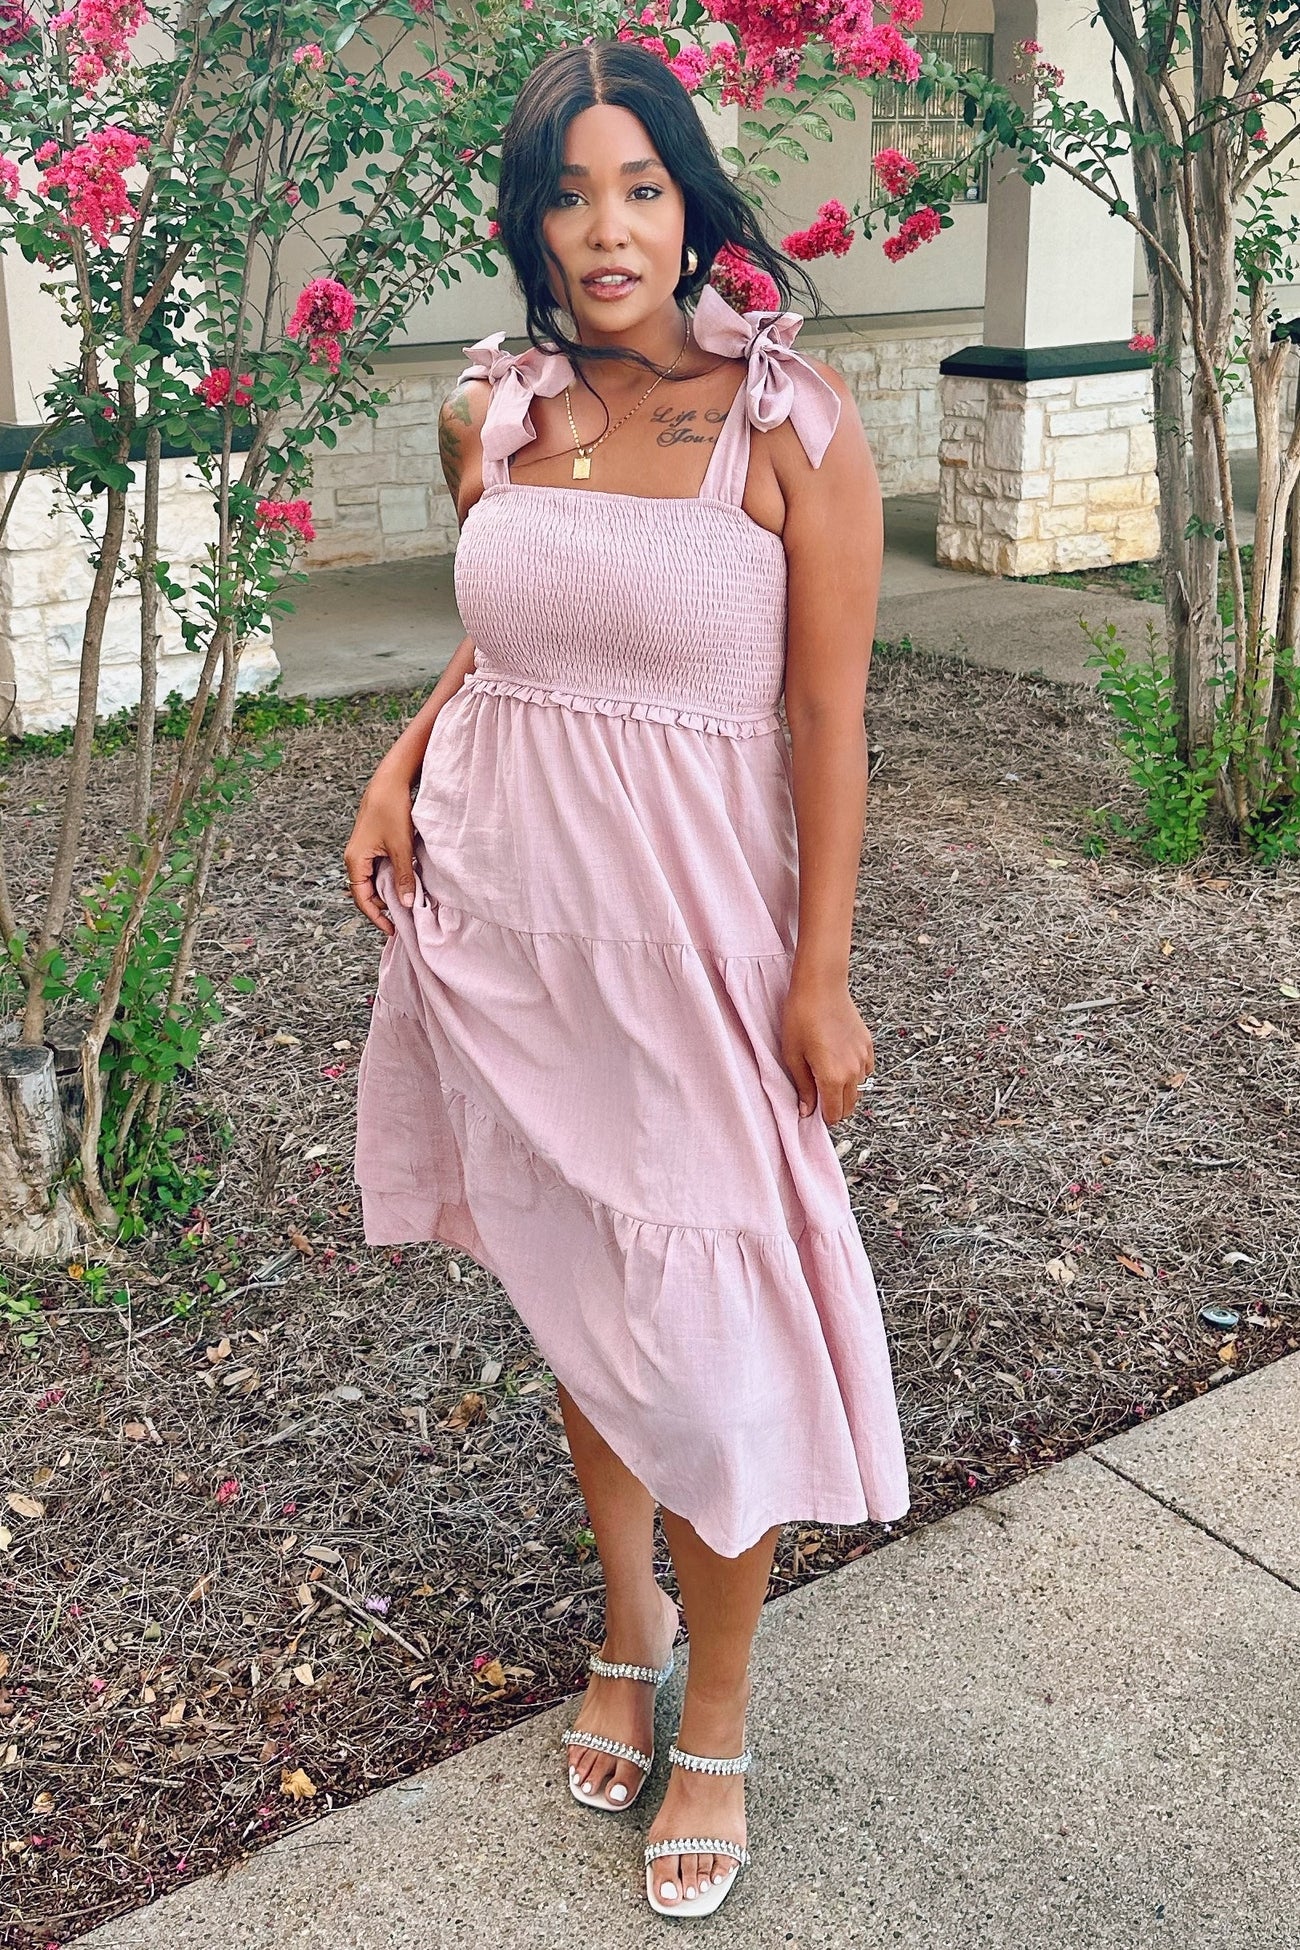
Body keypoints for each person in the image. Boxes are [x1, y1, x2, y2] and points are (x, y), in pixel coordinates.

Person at [346, 36, 910, 1921]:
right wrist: (401, 756)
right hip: (513, 924)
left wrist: (821, 975)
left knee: (711, 1334)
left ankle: (719, 1709)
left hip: (695, 946)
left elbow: (828, 719)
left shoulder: (788, 424)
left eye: (642, 188)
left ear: (692, 205)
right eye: (570, 195)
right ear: (528, 224)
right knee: (581, 1289)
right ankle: (627, 1621)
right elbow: (516, 631)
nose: (608, 230)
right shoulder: (496, 408)